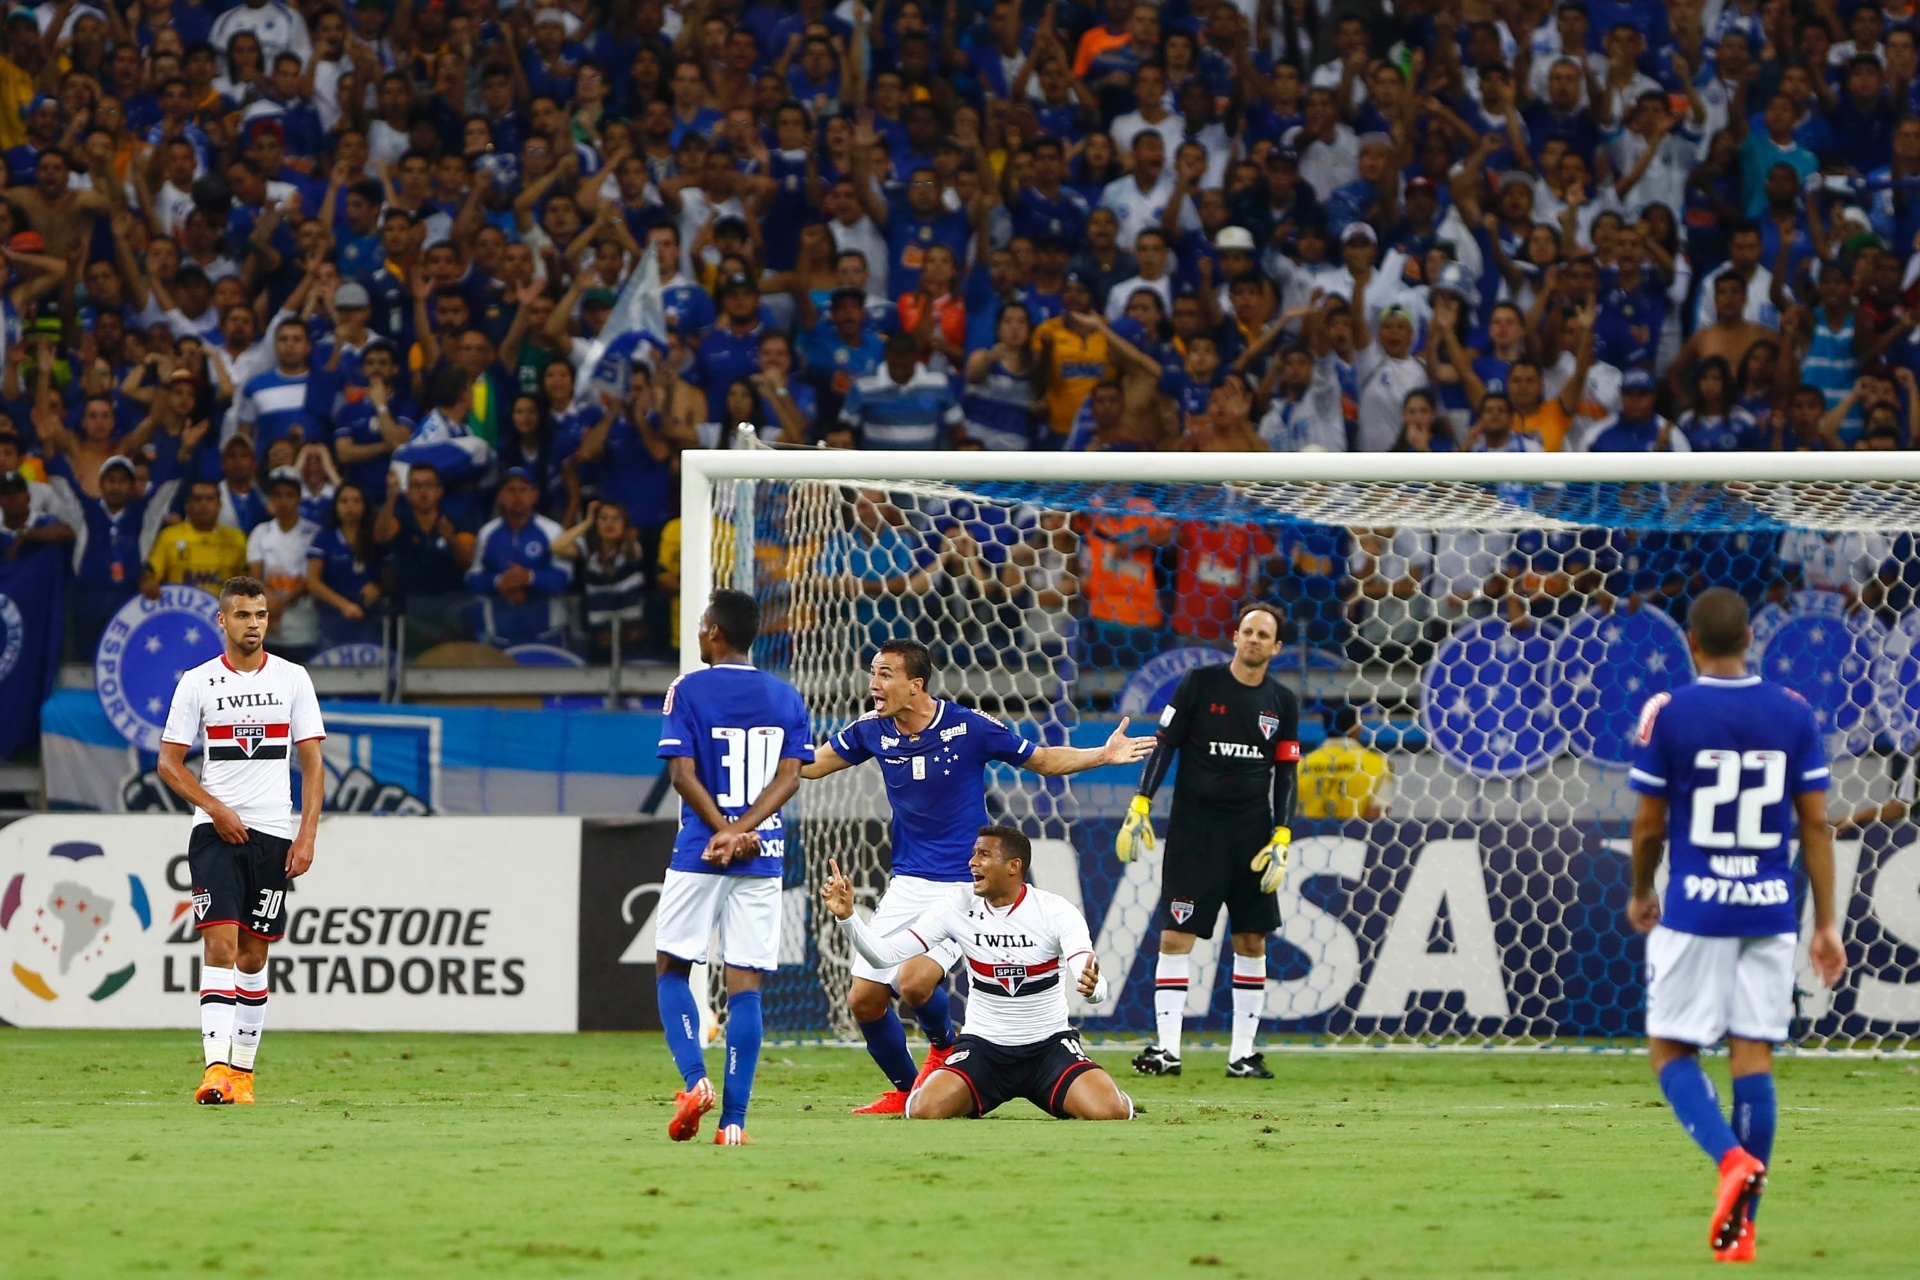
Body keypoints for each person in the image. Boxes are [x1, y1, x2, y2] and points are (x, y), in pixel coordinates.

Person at [800, 638, 1153, 1114]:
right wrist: (765, 740)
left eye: (885, 674)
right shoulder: (870, 730)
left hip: (965, 885)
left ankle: (945, 1045)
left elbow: (1043, 760)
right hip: (908, 882)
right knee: (863, 1000)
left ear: (915, 684)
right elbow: (810, 767)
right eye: (873, 672)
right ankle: (909, 1090)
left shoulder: (968, 726)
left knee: (915, 982)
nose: (874, 684)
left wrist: (1102, 756)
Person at [1626, 587, 1846, 1263]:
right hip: (1770, 909)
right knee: (1753, 1055)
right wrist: (1826, 924)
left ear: (1689, 642)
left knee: (1670, 1049)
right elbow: (1815, 824)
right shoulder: (1793, 713)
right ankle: (1742, 1227)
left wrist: (1641, 892)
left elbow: (1649, 825)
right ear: (1751, 639)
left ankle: (1730, 1162)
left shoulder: (1670, 711)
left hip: (1695, 908)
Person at [820, 827, 1134, 1122]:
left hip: (1048, 1049)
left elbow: (1087, 969)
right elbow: (885, 955)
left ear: (1014, 866)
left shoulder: (1055, 910)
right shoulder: (956, 906)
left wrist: (1094, 990)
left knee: (1112, 1111)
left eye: (984, 855)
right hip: (984, 1049)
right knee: (922, 1110)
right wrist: (848, 918)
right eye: (973, 853)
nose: (972, 862)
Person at [155, 575, 326, 1107]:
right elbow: (169, 762)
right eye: (243, 615)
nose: (253, 624)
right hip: (215, 833)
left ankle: (244, 1075)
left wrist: (307, 833)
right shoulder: (199, 682)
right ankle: (215, 1070)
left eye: (261, 614)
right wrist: (215, 809)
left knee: (253, 956)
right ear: (222, 621)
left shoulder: (294, 679)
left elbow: (313, 762)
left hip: (274, 832)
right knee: (220, 943)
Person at [653, 590, 814, 1146]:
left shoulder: (687, 689)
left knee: (673, 968)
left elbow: (681, 775)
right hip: (763, 855)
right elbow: (790, 778)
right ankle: (734, 1123)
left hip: (702, 848)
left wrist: (723, 830)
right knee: (745, 983)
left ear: (715, 632)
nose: (699, 634)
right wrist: (746, 830)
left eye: (701, 626)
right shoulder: (787, 695)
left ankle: (696, 1082)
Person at [1116, 603, 1300, 1080]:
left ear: (1276, 647)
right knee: (1176, 936)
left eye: (1264, 634)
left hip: (1253, 833)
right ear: (1235, 637)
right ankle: (1167, 1050)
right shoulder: (1199, 683)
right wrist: (1142, 801)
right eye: (1247, 631)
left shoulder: (1282, 702)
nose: (1254, 639)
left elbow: (1286, 771)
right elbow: (1166, 742)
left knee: (1251, 938)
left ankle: (1242, 1055)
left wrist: (1282, 831)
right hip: (1195, 831)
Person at [141, 480, 251, 598]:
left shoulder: (236, 539)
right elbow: (150, 572)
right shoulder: (168, 536)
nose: (203, 504)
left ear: (219, 505)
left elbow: (248, 580)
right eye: (197, 499)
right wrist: (148, 581)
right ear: (187, 505)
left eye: (209, 499)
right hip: (181, 612)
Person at [1298, 706, 1393, 820]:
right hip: (1355, 834)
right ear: (1355, 727)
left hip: (1310, 834)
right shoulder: (1379, 764)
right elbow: (1376, 812)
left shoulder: (1301, 765)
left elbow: (1293, 813)